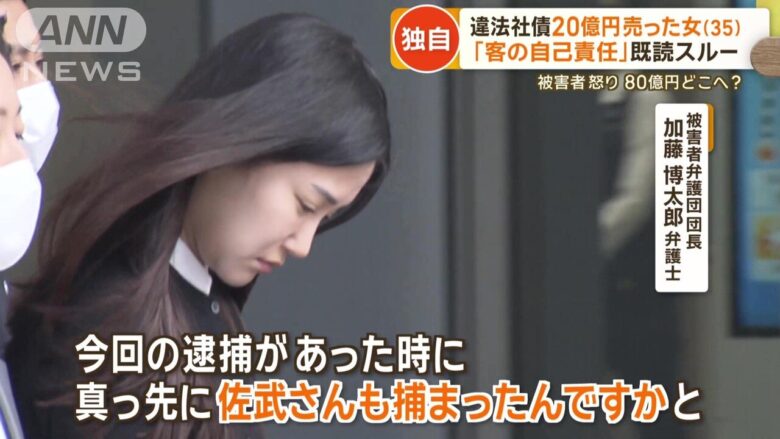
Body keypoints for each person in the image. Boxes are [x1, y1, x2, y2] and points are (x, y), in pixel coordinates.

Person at [6, 13, 391, 439]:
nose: (304, 245)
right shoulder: (103, 324)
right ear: (236, 141)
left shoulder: (199, 304)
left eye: (325, 219)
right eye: (306, 204)